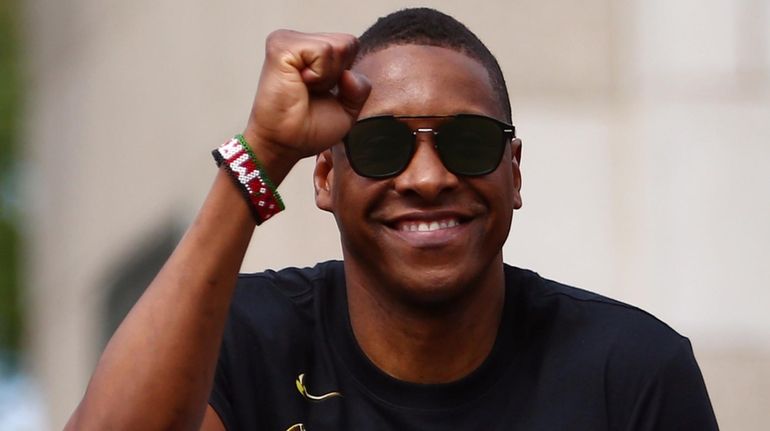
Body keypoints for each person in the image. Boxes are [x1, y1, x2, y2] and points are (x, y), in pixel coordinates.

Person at [64, 8, 719, 431]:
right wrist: (260, 152)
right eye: (382, 146)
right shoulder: (245, 344)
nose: (428, 177)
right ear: (325, 176)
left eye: (467, 141)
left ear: (514, 172)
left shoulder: (630, 371)